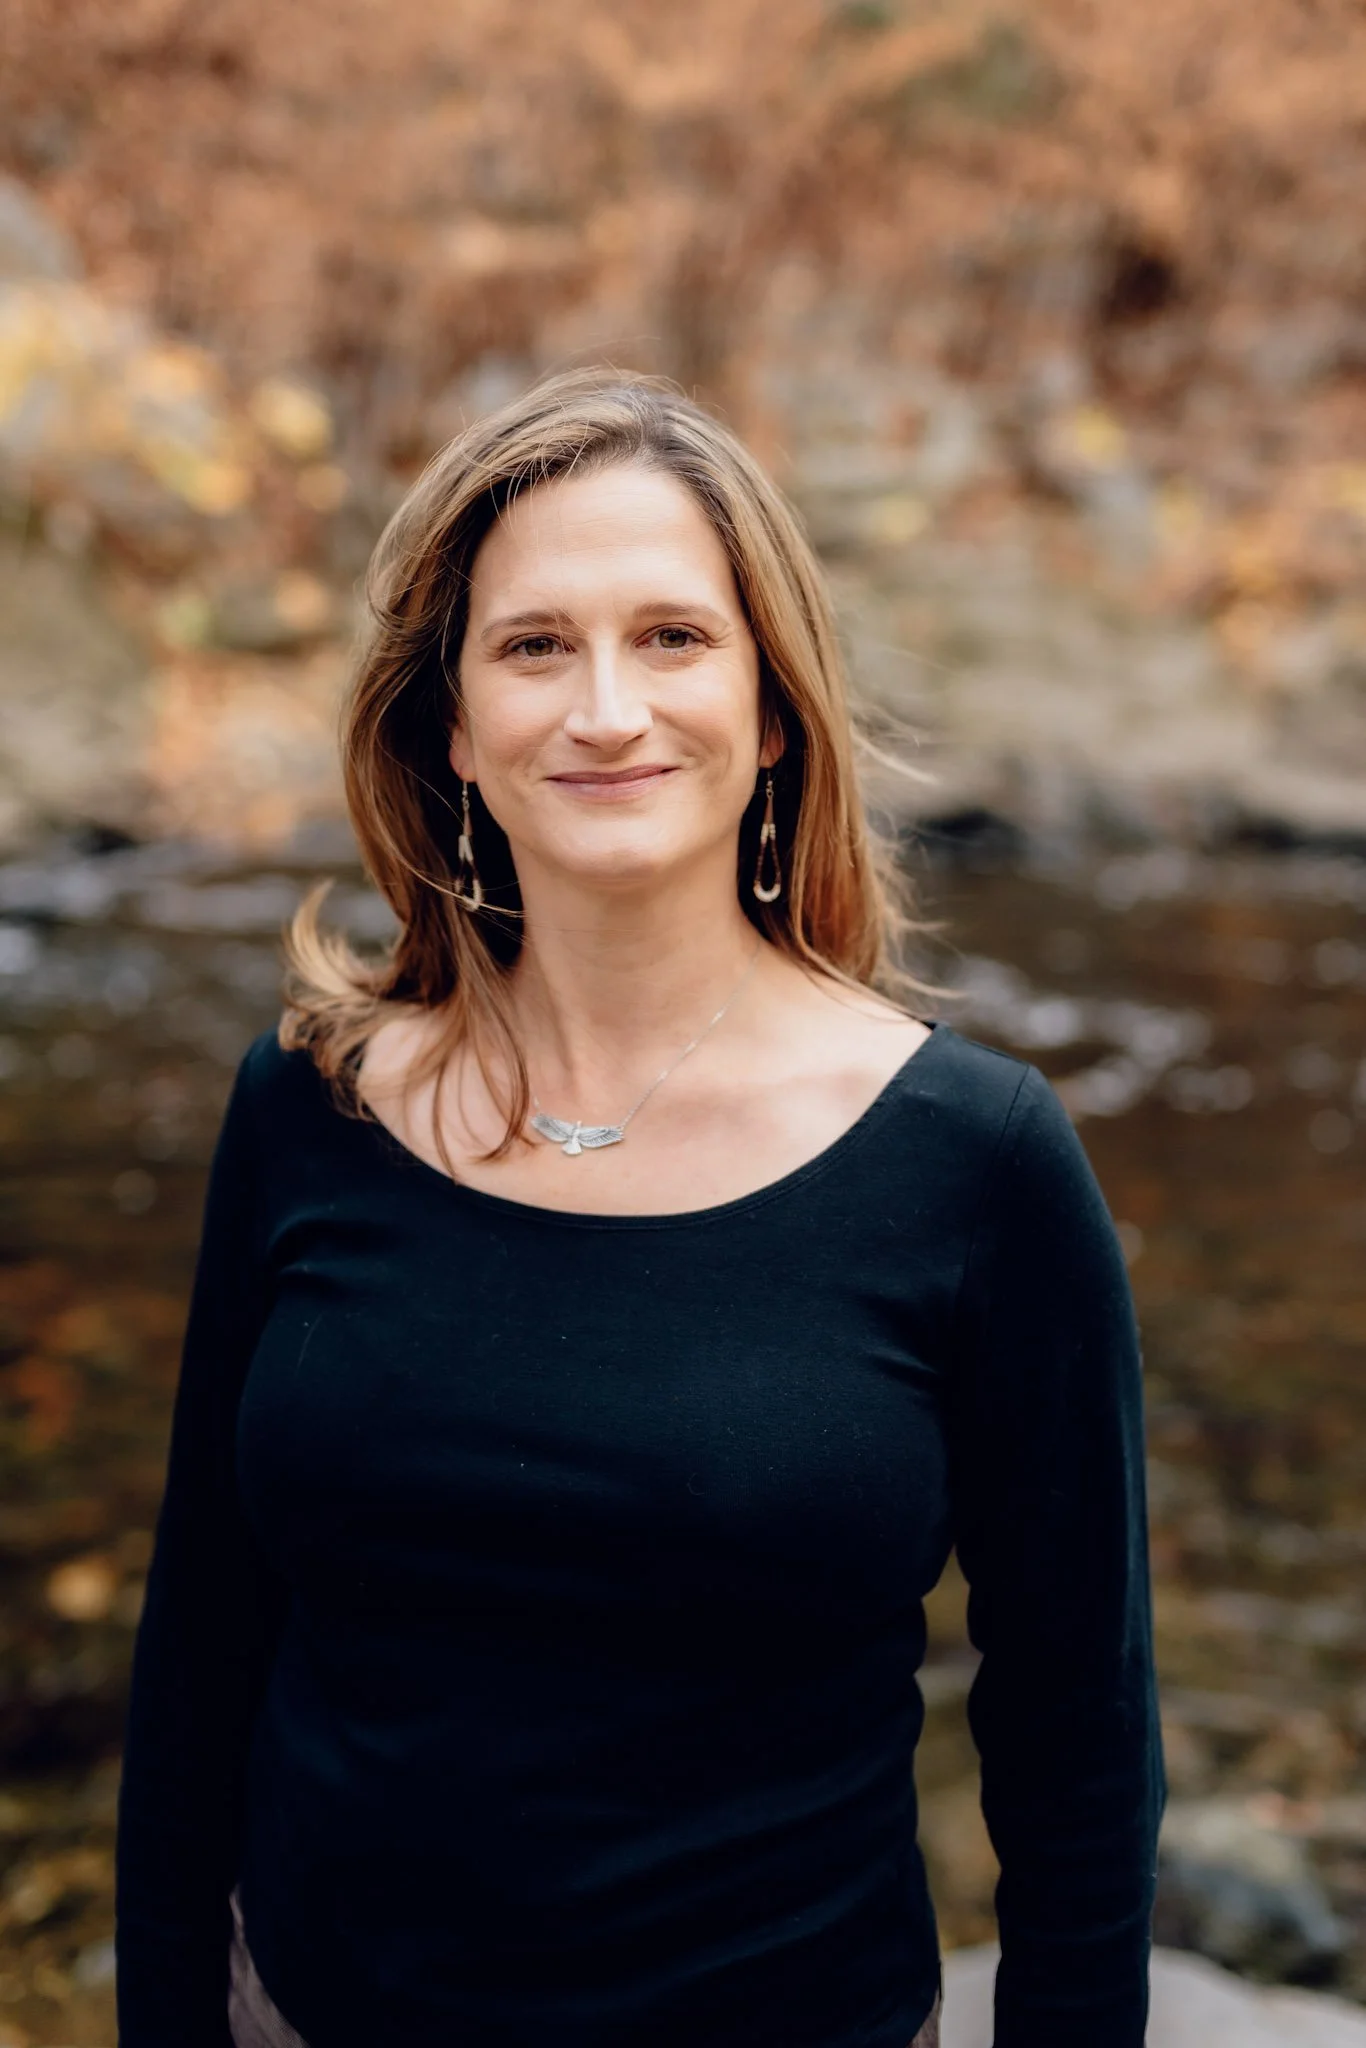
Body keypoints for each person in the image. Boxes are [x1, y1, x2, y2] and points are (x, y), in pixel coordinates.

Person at [113, 367, 1166, 2048]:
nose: (605, 708)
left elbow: (1079, 1754)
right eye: (535, 645)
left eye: (673, 637)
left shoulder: (976, 1163)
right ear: (450, 723)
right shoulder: (308, 1107)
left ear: (769, 710)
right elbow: (198, 1662)